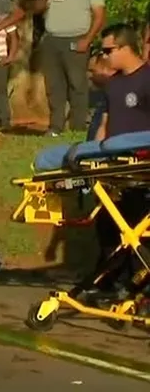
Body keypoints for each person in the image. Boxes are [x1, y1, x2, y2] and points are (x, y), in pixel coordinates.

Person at [89, 24, 150, 292]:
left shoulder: (147, 79)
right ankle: (108, 281)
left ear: (125, 48)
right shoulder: (114, 84)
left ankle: (140, 285)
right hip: (115, 168)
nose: (104, 57)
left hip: (141, 167)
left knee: (137, 226)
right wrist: (93, 156)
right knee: (106, 225)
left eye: (108, 50)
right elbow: (105, 123)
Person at [34, 0, 106, 136]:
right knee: (54, 86)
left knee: (77, 84)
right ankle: (56, 126)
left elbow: (99, 16)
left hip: (77, 39)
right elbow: (36, 8)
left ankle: (78, 126)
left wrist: (87, 40)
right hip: (52, 41)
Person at [0, 13, 20, 129]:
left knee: (0, 90)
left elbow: (14, 37)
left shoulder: (4, 17)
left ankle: (4, 120)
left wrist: (10, 57)